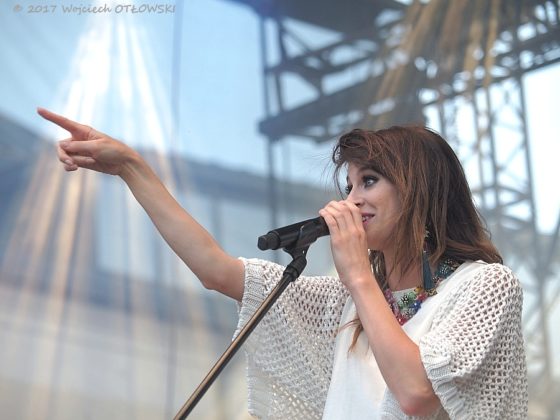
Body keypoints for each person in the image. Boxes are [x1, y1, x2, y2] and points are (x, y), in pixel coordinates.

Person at [38, 107, 528, 419]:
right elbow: (215, 269)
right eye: (349, 186)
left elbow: (418, 393)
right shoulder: (344, 301)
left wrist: (358, 276)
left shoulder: (484, 286)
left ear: (419, 188)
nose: (352, 200)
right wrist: (132, 168)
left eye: (369, 180)